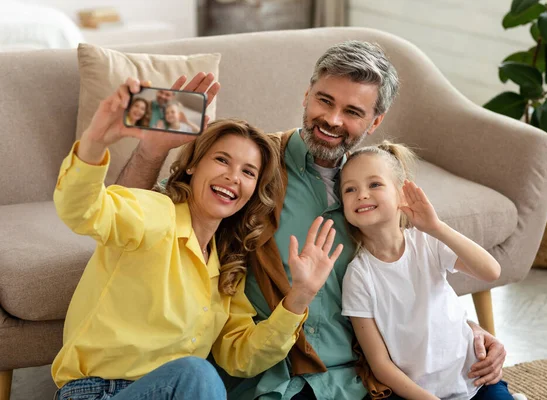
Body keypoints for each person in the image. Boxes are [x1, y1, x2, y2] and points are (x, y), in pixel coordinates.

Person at [115, 43, 508, 399]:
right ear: (307, 95)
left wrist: (466, 331)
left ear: (374, 122)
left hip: (363, 381)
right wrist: (151, 148)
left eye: (353, 112)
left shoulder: (376, 187)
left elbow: (409, 273)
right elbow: (136, 214)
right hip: (271, 380)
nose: (333, 119)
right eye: (325, 100)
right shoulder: (254, 162)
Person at [52, 77, 344, 400]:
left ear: (253, 192)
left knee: (200, 375)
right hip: (97, 393)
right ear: (192, 164)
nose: (233, 177)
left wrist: (300, 295)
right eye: (222, 160)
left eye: (248, 172)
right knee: (197, 373)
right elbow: (85, 211)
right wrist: (95, 141)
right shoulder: (157, 215)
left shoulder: (226, 269)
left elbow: (242, 357)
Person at [339, 142, 514, 400]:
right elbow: (381, 365)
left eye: (374, 184)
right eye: (350, 189)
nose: (361, 194)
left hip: (475, 381)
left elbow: (491, 271)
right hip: (415, 394)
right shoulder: (358, 276)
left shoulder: (428, 242)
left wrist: (437, 227)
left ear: (402, 194)